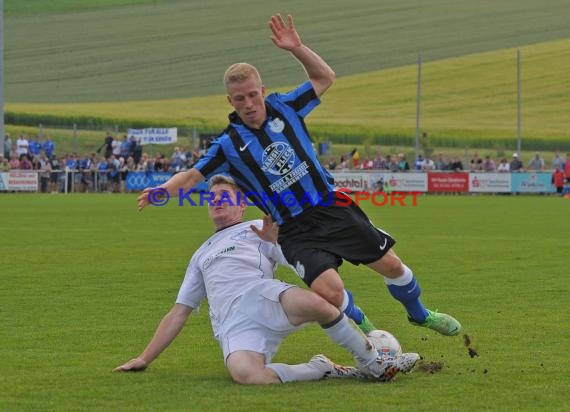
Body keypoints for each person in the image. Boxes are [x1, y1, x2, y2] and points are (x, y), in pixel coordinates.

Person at [137, 13, 461, 338]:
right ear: (230, 101)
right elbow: (192, 176)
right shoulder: (227, 145)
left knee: (392, 267)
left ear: (261, 90)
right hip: (293, 230)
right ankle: (367, 330)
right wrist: (160, 190)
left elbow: (324, 78)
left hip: (331, 206)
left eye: (253, 94)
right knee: (331, 292)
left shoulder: (284, 107)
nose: (249, 104)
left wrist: (297, 48)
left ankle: (419, 315)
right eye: (240, 99)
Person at [118, 175, 419, 384]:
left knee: (319, 304)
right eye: (212, 197)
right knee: (247, 376)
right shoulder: (200, 254)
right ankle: (323, 368)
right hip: (231, 324)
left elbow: (300, 262)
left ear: (241, 205)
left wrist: (276, 240)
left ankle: (374, 364)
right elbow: (179, 311)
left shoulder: (257, 228)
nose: (216, 200)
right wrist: (144, 358)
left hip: (261, 295)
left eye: (225, 196)